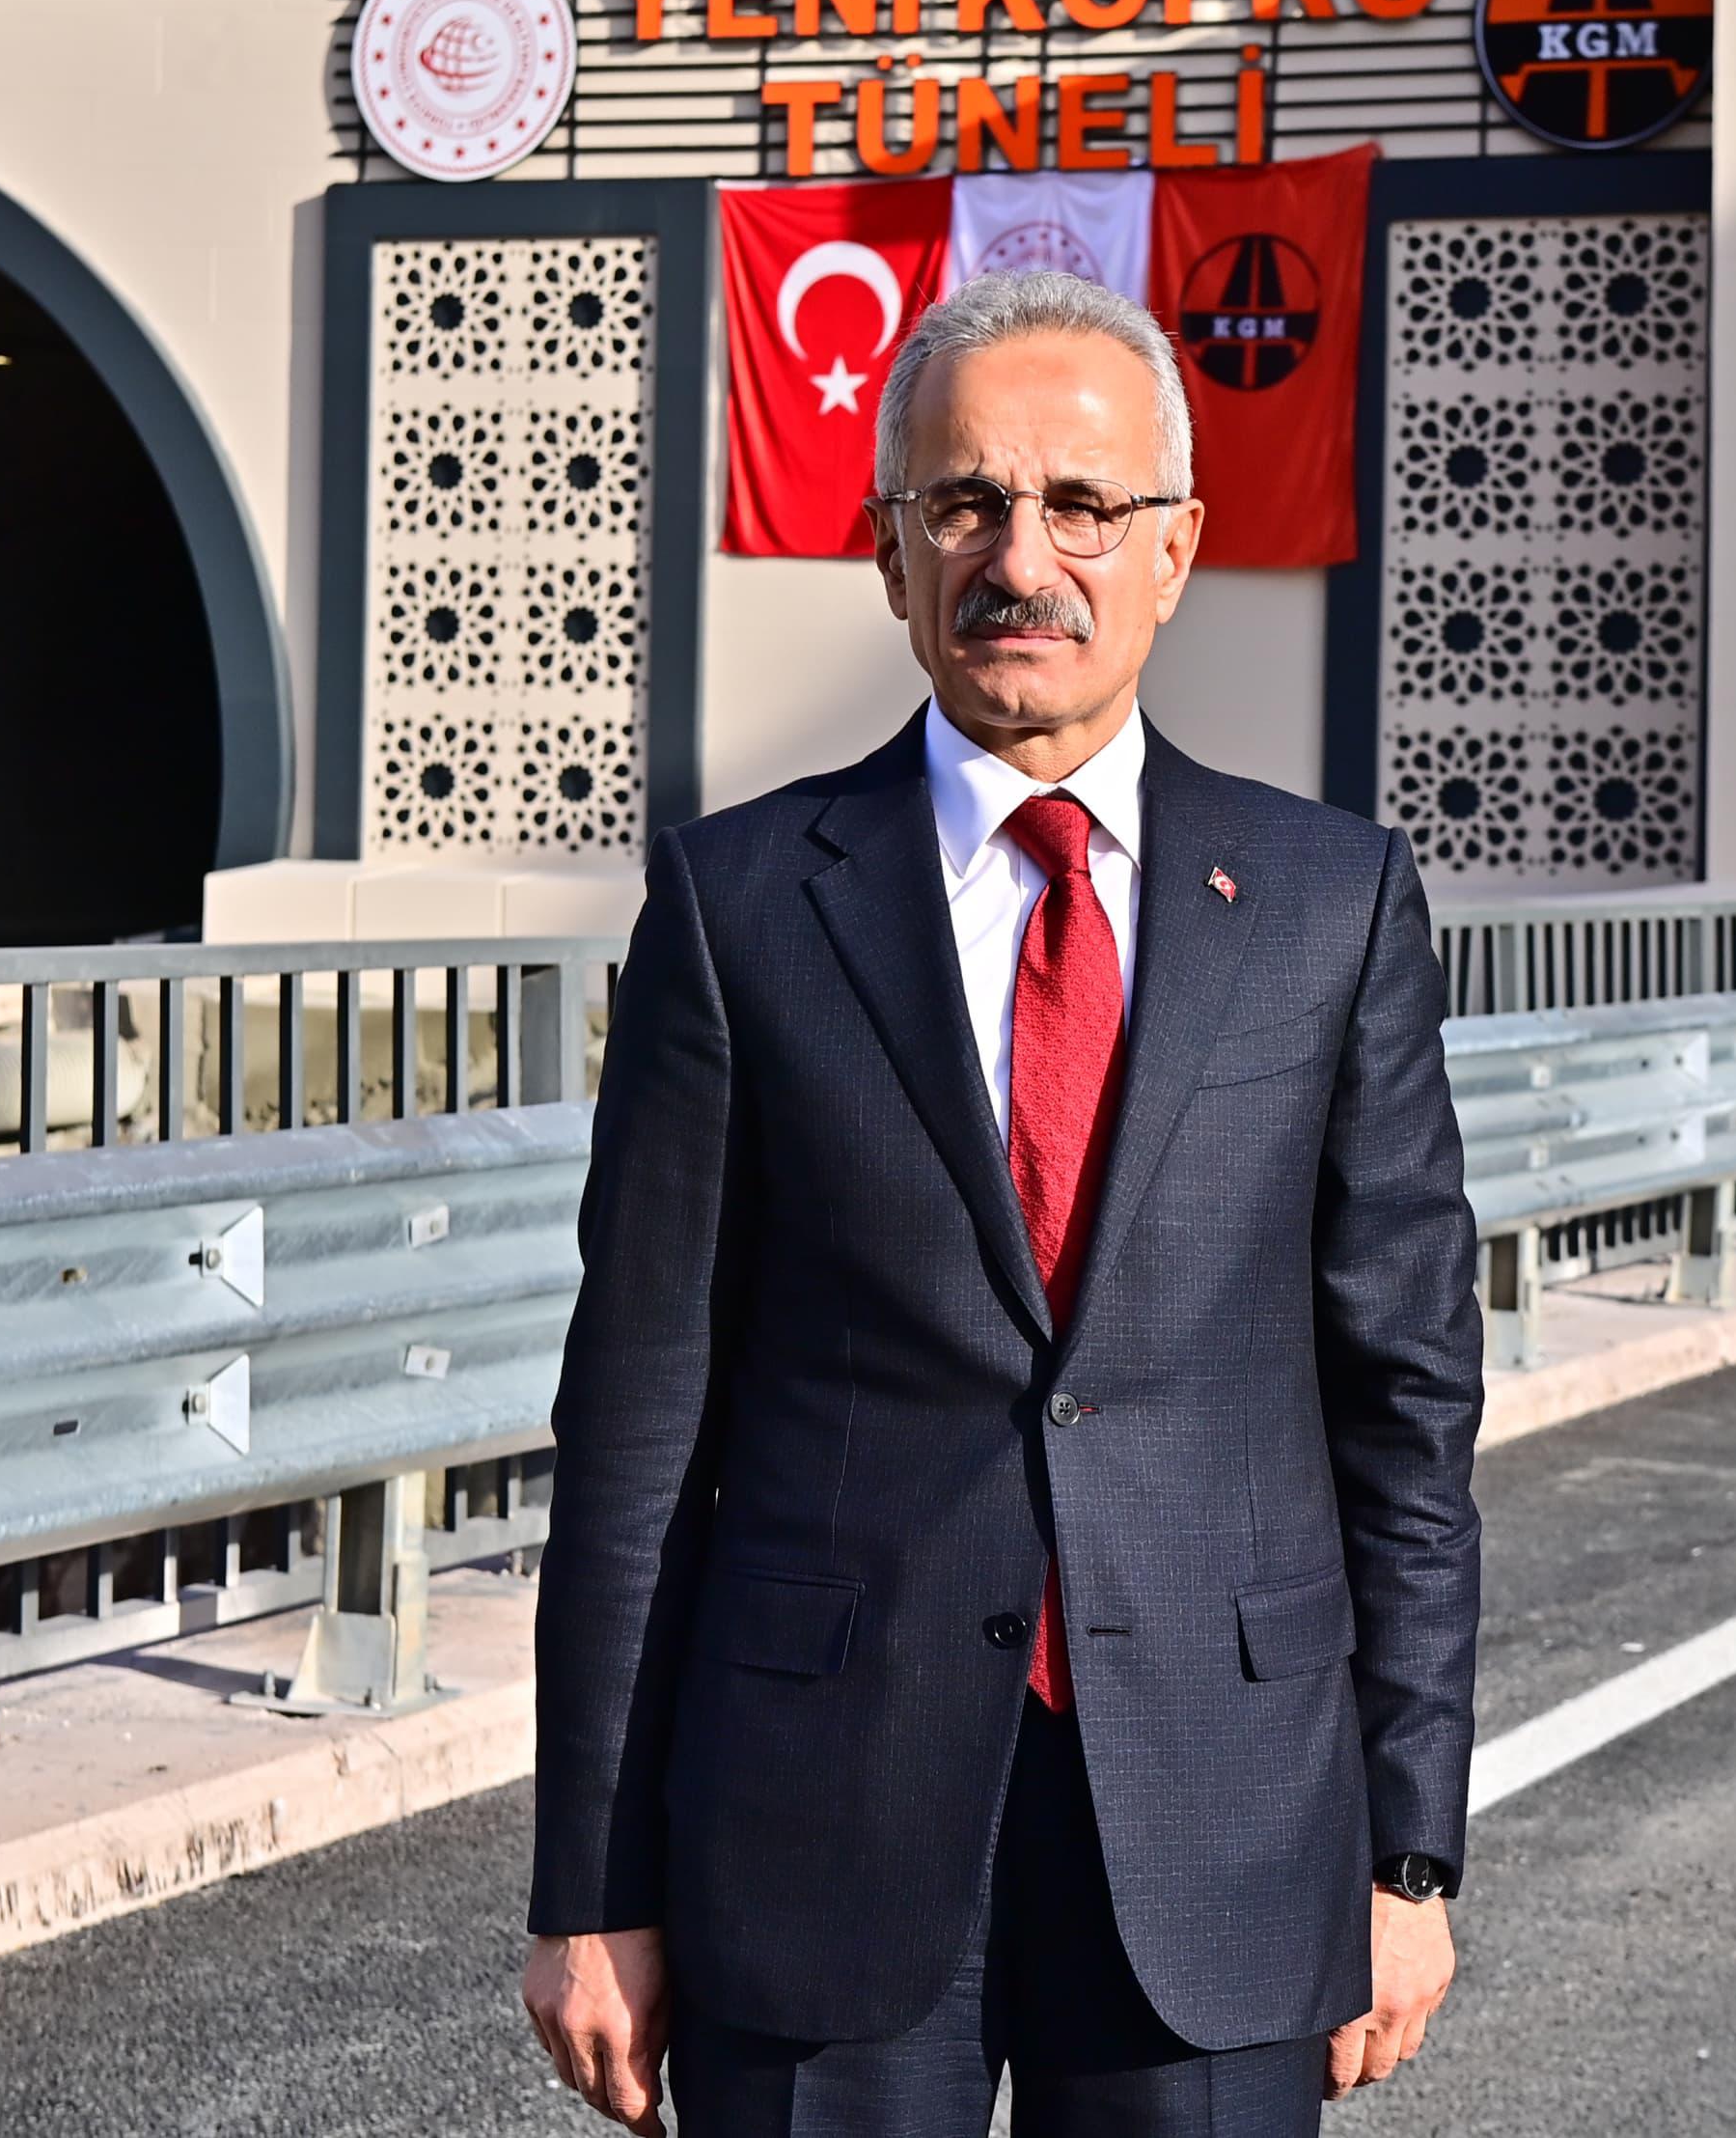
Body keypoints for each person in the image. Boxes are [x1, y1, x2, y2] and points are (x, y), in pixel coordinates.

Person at [520, 267, 1484, 2138]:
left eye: (1080, 505)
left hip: (1225, 1810)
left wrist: (1409, 1847)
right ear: (888, 554)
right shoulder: (739, 909)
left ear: (1177, 552)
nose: (1017, 554)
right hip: (816, 1814)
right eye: (961, 503)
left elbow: (1406, 1408)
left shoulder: (1328, 904)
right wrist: (592, 1883)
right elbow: (638, 1428)